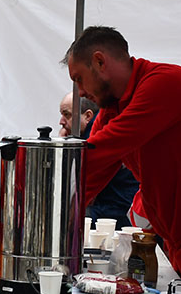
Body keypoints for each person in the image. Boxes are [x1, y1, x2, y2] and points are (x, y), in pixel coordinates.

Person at [64, 26, 181, 294]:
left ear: (99, 62)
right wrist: (34, 206)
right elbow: (88, 175)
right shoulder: (110, 111)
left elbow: (101, 149)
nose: (80, 92)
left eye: (79, 79)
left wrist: (34, 188)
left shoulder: (167, 82)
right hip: (179, 239)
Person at [59, 90, 139, 229]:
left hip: (116, 213)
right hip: (120, 208)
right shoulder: (96, 127)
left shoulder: (96, 135)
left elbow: (78, 185)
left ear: (88, 116)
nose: (61, 122)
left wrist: (63, 148)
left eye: (66, 115)